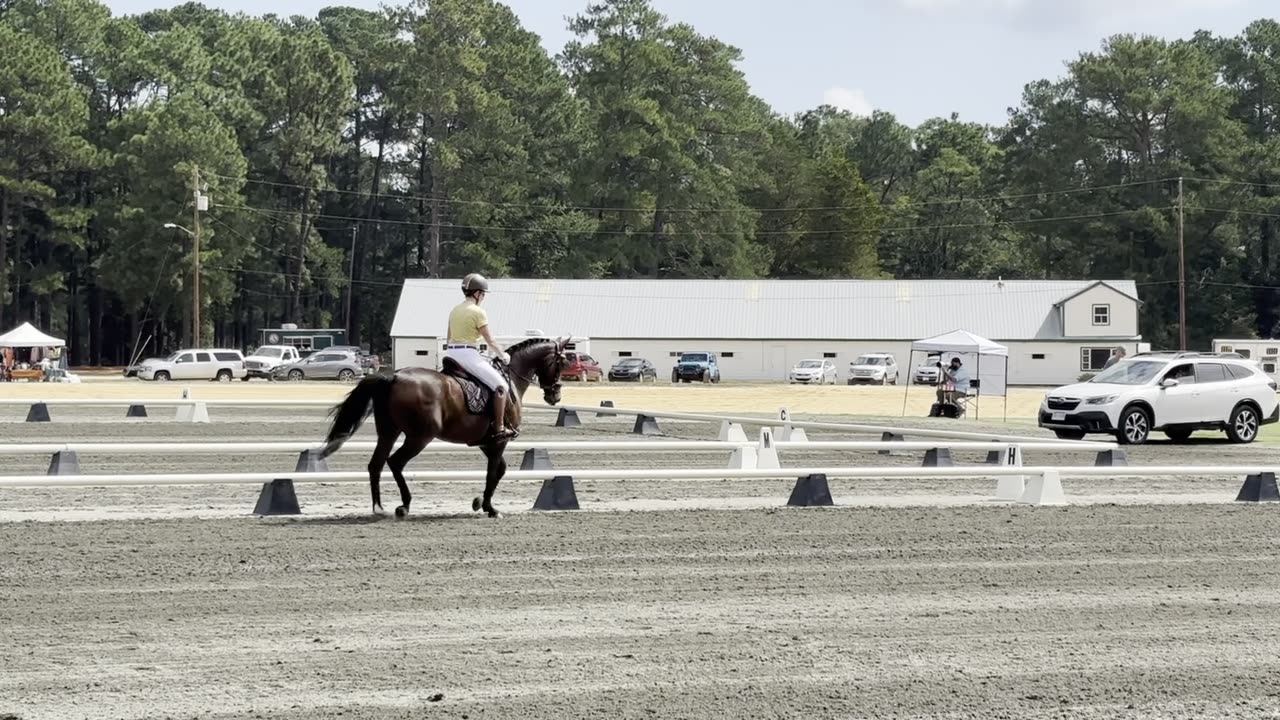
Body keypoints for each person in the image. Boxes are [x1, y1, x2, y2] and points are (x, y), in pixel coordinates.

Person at [444, 273, 516, 442]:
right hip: (468, 354)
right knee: (501, 386)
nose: (483, 297)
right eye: (483, 294)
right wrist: (502, 355)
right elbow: (489, 339)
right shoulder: (478, 312)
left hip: (452, 354)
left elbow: (448, 337)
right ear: (476, 293)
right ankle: (499, 427)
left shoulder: (454, 310)